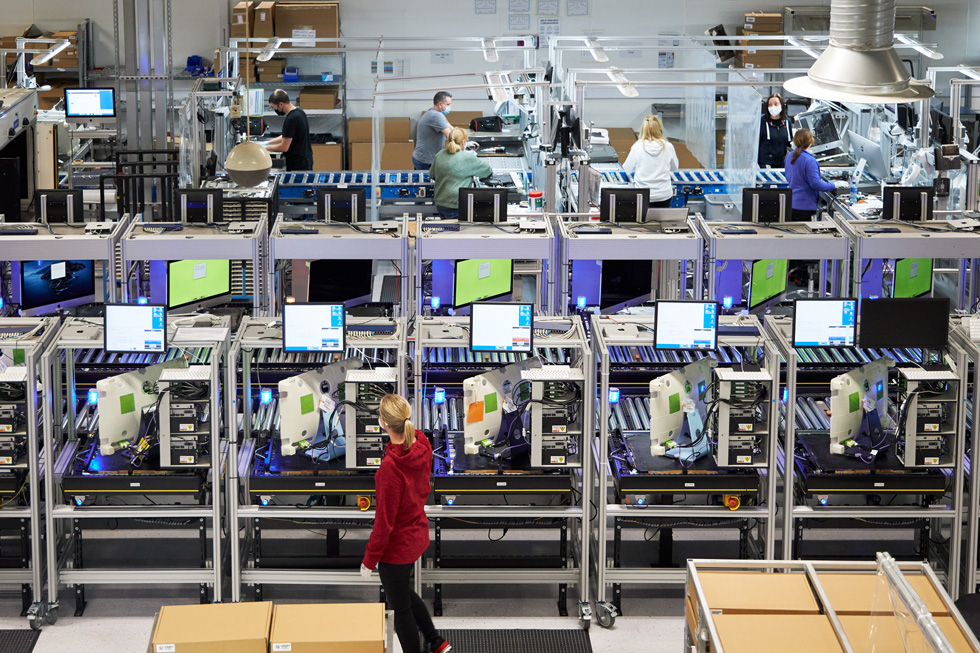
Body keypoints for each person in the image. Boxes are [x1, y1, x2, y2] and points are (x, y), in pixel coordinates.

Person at [360, 395, 451, 653]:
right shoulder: (421, 444)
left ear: (384, 424)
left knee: (400, 609)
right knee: (404, 592)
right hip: (416, 535)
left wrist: (369, 559)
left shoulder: (390, 468)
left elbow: (385, 522)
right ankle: (436, 641)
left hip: (396, 548)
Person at [429, 128, 493, 220]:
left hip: (441, 203)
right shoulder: (467, 158)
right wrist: (469, 156)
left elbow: (432, 175)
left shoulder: (440, 155)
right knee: (458, 233)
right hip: (457, 205)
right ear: (463, 143)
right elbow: (487, 171)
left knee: (446, 230)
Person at [622, 115, 679, 208]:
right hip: (663, 195)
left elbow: (626, 169)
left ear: (643, 129)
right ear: (660, 128)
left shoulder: (638, 147)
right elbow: (674, 168)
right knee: (661, 221)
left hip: (643, 195)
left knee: (643, 221)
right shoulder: (668, 146)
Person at [784, 128, 837, 221]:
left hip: (791, 204)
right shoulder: (810, 160)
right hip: (805, 207)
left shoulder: (789, 156)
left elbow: (793, 175)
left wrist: (815, 172)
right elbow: (816, 184)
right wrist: (834, 185)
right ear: (811, 141)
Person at [264, 89, 313, 171]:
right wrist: (267, 142)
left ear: (280, 104)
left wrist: (264, 149)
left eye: (274, 107)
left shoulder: (291, 119)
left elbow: (284, 147)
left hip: (298, 164)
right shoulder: (299, 112)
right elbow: (286, 136)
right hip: (305, 160)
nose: (275, 109)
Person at [413, 91, 454, 171]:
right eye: (448, 104)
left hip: (422, 158)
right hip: (425, 161)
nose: (450, 107)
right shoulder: (436, 116)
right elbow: (450, 136)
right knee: (428, 183)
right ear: (440, 104)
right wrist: (465, 145)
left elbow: (452, 129)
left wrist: (465, 138)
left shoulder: (435, 113)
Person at [758, 93, 793, 169]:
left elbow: (790, 142)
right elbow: (757, 143)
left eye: (776, 104)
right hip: (766, 163)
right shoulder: (762, 122)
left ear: (782, 105)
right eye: (770, 105)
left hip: (783, 163)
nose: (773, 107)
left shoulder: (787, 122)